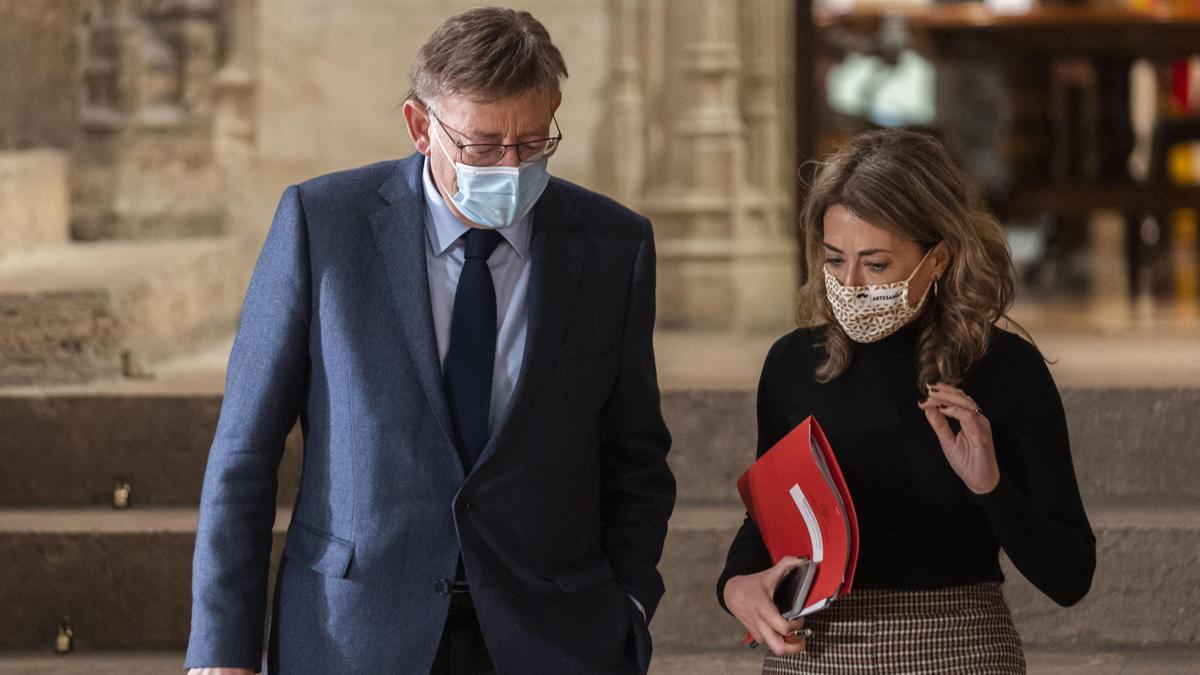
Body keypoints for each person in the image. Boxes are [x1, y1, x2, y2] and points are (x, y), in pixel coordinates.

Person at [185, 8, 675, 674]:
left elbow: (636, 457)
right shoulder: (323, 225)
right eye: (480, 144)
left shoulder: (614, 247)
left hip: (553, 636)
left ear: (554, 110)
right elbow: (243, 454)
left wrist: (630, 606)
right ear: (421, 127)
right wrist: (221, 650)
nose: (508, 167)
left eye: (531, 144)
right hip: (353, 633)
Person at [717, 129, 1095, 673]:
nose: (849, 284)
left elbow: (1070, 576)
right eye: (833, 260)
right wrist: (736, 586)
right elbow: (772, 520)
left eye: (876, 265)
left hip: (959, 644)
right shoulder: (793, 366)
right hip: (815, 648)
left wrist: (990, 488)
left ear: (937, 259)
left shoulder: (1002, 370)